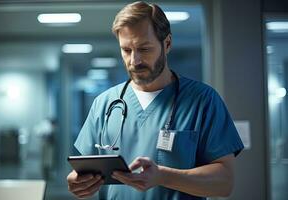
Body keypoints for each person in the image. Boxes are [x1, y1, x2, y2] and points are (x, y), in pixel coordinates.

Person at [67, 1, 244, 199]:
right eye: (126, 50)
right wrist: (77, 181)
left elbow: (224, 182)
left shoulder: (203, 100)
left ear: (167, 44)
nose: (134, 61)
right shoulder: (104, 103)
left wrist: (162, 176)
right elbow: (84, 170)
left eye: (144, 49)